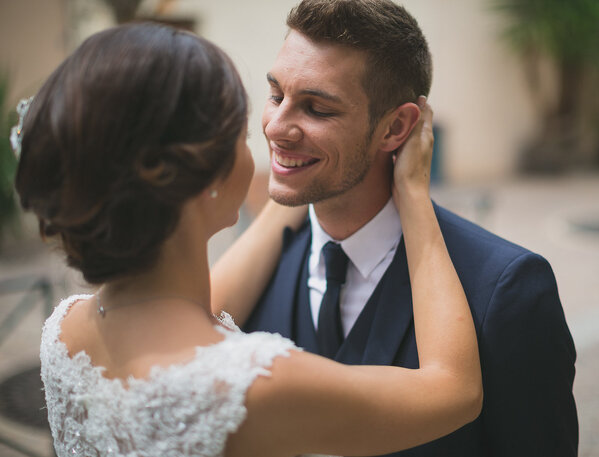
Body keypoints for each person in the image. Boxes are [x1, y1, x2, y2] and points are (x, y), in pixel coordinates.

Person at [15, 23, 482, 457]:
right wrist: (414, 194)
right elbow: (454, 389)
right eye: (241, 131)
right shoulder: (257, 382)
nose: (273, 131)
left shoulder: (66, 333)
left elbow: (197, 305)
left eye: (314, 106)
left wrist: (304, 174)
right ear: (203, 178)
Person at [212, 1, 579, 455]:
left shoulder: (506, 289)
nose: (276, 127)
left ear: (397, 127)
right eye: (275, 95)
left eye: (316, 108)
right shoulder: (249, 274)